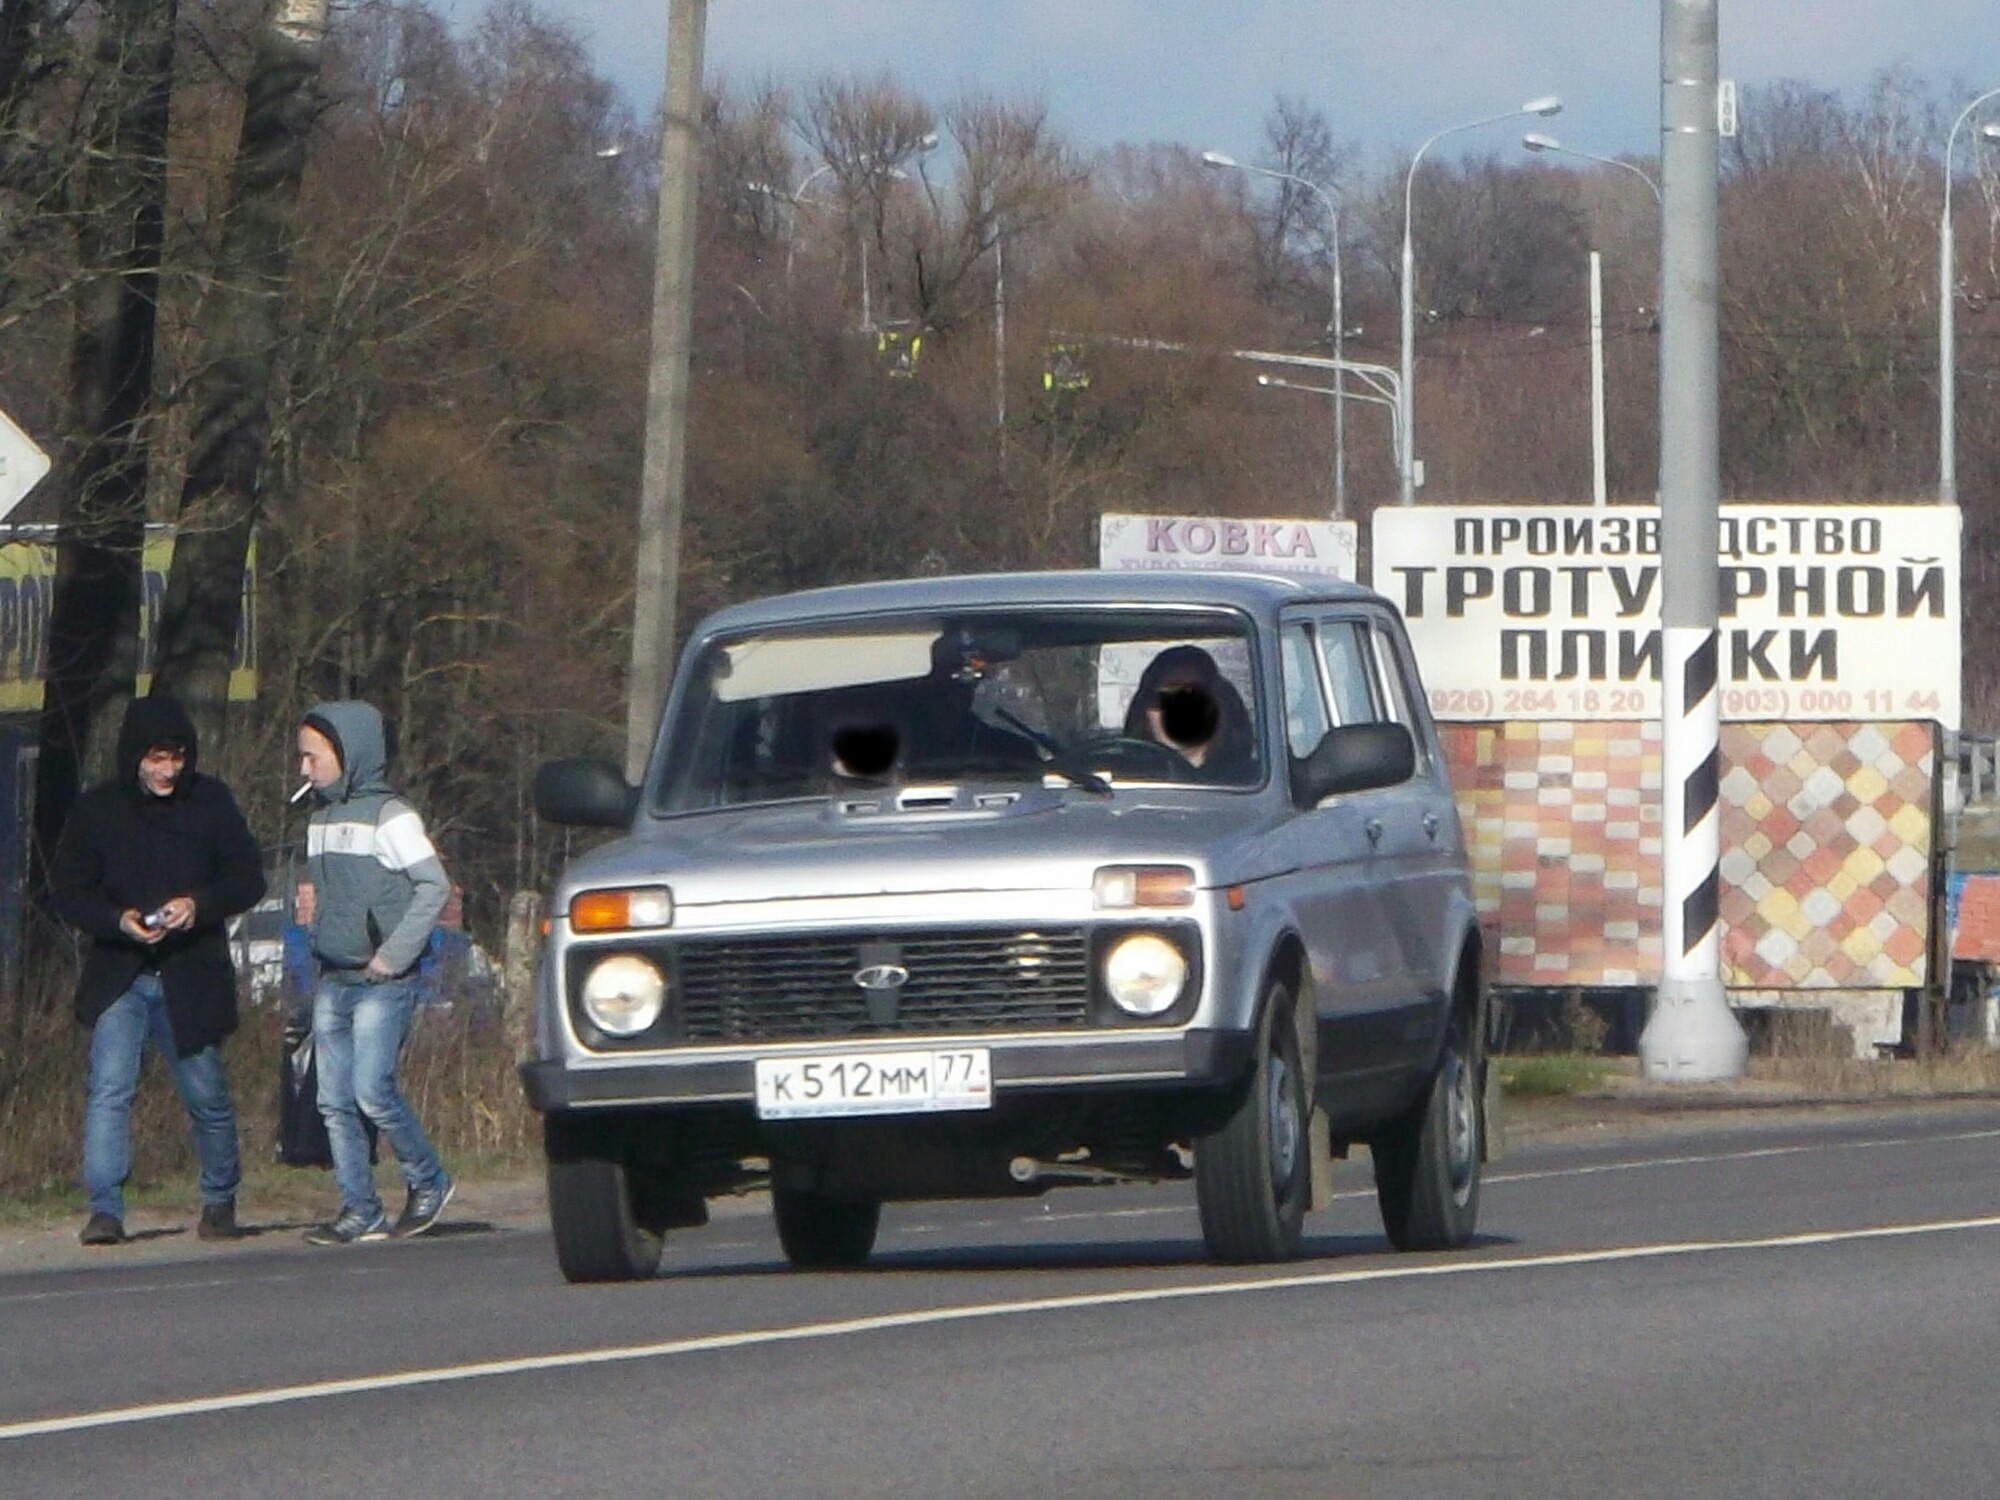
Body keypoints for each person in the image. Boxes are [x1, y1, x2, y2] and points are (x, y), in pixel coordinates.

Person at [51, 695, 266, 1247]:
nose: (167, 770)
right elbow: (69, 891)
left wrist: (199, 906)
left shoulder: (211, 803)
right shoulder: (97, 810)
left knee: (207, 1093)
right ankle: (105, 1209)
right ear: (134, 757)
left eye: (176, 758)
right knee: (110, 1090)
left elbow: (248, 877)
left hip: (190, 974)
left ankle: (219, 1200)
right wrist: (117, 920)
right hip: (120, 975)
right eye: (156, 758)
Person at [296, 700, 455, 1245]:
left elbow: (434, 886)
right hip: (332, 977)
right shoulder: (318, 817)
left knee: (371, 1091)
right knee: (333, 1102)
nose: (304, 768)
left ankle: (428, 1178)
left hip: (381, 982)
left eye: (313, 756)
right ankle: (360, 1209)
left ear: (349, 753)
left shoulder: (392, 817)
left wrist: (394, 954)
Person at [1122, 644, 1257, 780]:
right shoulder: (1121, 779)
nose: (1176, 708)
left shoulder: (1251, 781)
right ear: (1144, 712)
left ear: (1218, 707)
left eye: (1191, 696)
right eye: (1161, 698)